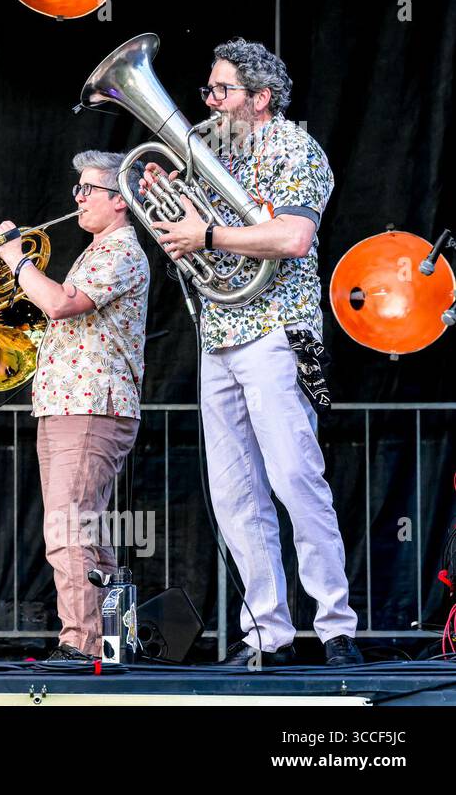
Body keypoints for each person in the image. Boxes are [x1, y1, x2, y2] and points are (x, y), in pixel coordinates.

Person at [143, 37, 362, 667]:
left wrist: (205, 230)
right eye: (208, 89)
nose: (208, 101)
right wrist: (169, 199)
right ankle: (268, 634)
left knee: (297, 479)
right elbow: (190, 238)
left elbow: (293, 236)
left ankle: (336, 627)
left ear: (261, 99)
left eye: (222, 90)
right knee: (235, 493)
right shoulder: (215, 155)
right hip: (221, 336)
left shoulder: (297, 148)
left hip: (280, 331)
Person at [0, 150, 150, 661]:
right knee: (86, 533)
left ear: (120, 200)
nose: (77, 198)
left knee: (68, 530)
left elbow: (59, 303)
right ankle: (111, 643)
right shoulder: (96, 250)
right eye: (76, 188)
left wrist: (17, 261)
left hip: (88, 407)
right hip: (64, 406)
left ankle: (81, 644)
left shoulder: (120, 250)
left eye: (88, 190)